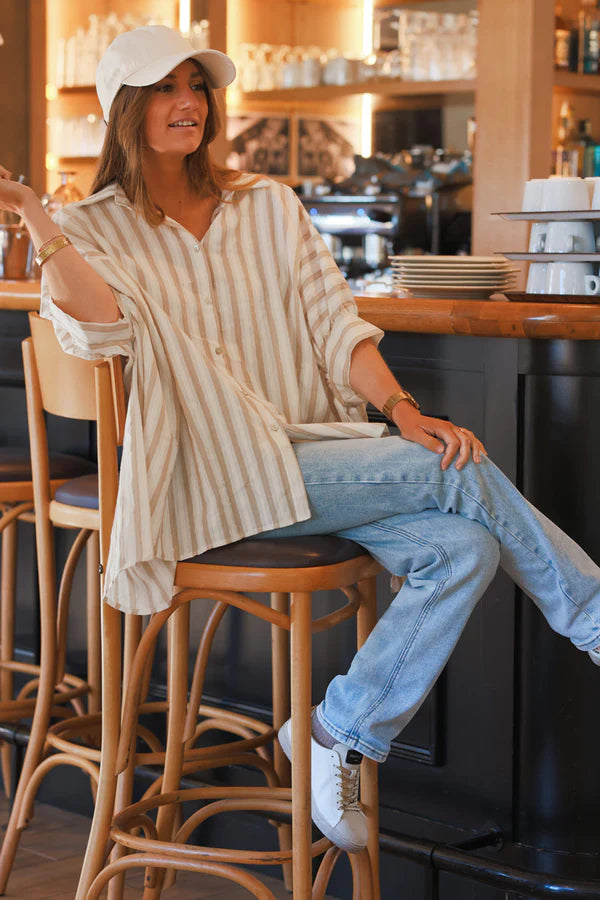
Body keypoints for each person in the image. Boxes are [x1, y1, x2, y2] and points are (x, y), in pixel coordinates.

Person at [1, 24, 600, 859]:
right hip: (206, 478)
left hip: (309, 458)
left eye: (196, 87)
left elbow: (332, 323)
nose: (188, 104)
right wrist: (41, 221)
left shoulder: (268, 204)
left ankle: (337, 731)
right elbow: (96, 327)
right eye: (166, 89)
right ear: (125, 110)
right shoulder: (93, 225)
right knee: (460, 476)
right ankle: (593, 614)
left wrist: (399, 408)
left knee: (461, 546)